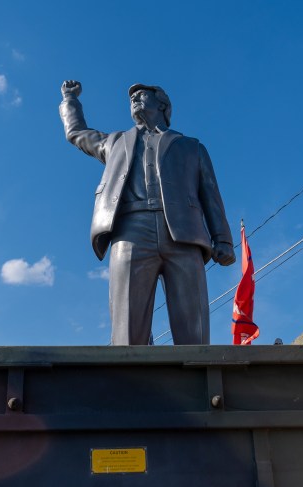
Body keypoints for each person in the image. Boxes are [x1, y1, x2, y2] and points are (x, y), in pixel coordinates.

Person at [59, 80, 235, 345]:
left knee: (194, 330)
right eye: (132, 97)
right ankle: (128, 383)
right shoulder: (115, 142)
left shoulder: (191, 147)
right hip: (131, 233)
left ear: (162, 104)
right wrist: (70, 99)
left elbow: (210, 195)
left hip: (184, 236)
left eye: (142, 95)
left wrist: (222, 239)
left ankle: (202, 383)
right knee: (127, 331)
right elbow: (77, 133)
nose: (134, 99)